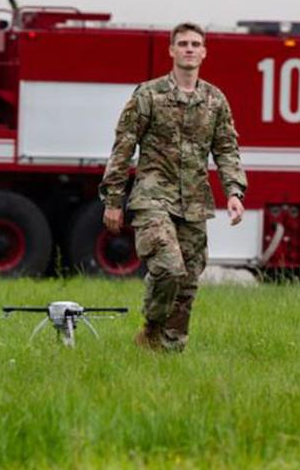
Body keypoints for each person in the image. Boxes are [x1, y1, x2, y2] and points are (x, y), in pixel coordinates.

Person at [99, 22, 247, 352]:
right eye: (183, 43)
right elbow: (123, 147)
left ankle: (171, 350)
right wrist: (113, 200)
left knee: (188, 281)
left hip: (194, 201)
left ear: (204, 52)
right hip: (153, 197)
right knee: (168, 267)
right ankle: (151, 327)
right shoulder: (148, 95)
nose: (190, 49)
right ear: (172, 50)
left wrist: (234, 193)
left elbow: (226, 149)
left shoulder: (214, 100)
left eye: (196, 44)